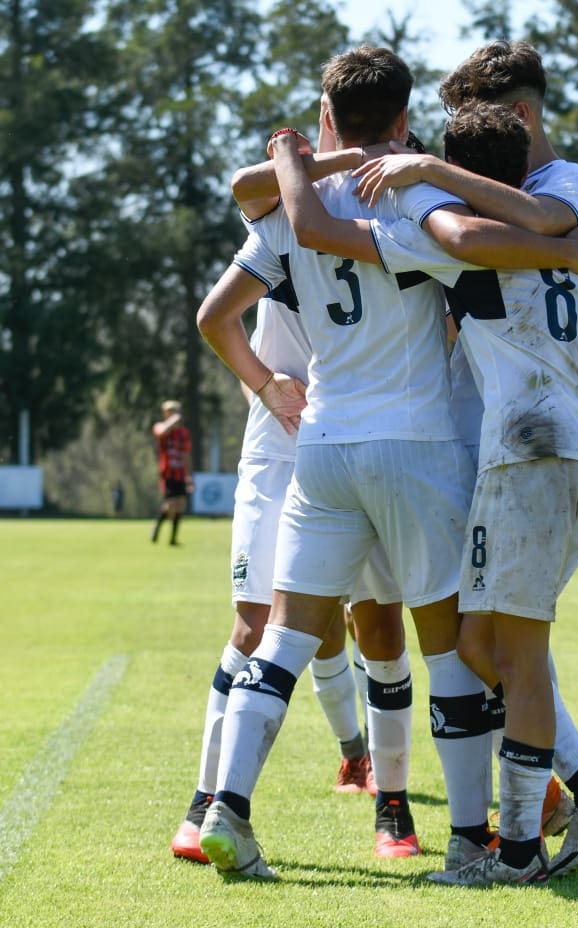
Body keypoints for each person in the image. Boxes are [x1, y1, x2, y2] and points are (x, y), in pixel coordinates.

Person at [194, 46, 578, 882]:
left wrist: (295, 159)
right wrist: (565, 246)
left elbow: (218, 306)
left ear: (327, 115)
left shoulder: (290, 201)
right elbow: (486, 242)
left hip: (323, 445)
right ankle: (468, 840)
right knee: (448, 646)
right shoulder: (417, 190)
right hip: (420, 446)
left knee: (284, 640)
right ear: (400, 119)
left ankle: (226, 813)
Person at [354, 40, 578, 882]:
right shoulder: (575, 239)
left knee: (512, 651)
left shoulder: (552, 197)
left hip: (533, 450)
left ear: (515, 116)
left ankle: (516, 852)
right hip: (547, 451)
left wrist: (405, 176)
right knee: (486, 642)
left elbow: (509, 228)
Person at [169, 285, 394, 865]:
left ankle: (385, 793)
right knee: (259, 623)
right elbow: (222, 323)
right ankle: (204, 806)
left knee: (367, 624)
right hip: (278, 451)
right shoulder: (276, 220)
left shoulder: (384, 210)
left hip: (366, 446)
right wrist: (267, 389)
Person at [151, 400, 193, 545]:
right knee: (170, 504)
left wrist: (188, 477)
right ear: (165, 413)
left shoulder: (183, 433)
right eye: (170, 411)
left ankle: (173, 539)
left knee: (180, 505)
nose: (173, 414)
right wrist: (172, 420)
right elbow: (160, 431)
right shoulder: (160, 427)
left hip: (180, 474)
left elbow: (186, 455)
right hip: (167, 473)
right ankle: (156, 527)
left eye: (175, 411)